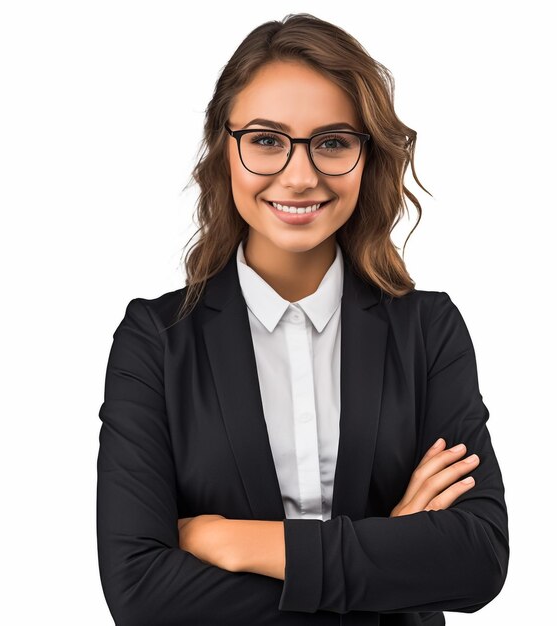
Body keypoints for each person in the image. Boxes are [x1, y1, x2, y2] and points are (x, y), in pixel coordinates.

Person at [96, 13, 509, 626]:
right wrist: (388, 564)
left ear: (366, 158)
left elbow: (477, 560)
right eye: (266, 139)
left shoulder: (428, 331)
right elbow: (139, 591)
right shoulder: (156, 340)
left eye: (333, 141)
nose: (299, 174)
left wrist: (241, 543)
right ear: (224, 149)